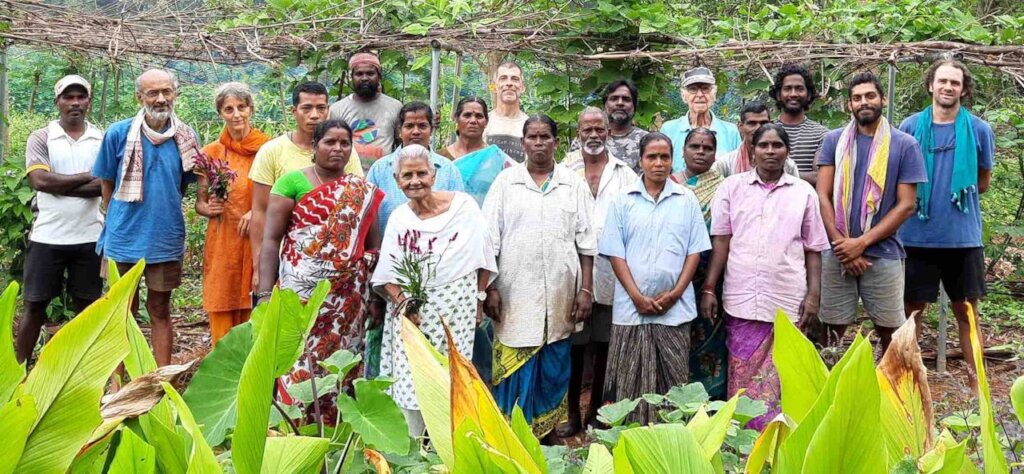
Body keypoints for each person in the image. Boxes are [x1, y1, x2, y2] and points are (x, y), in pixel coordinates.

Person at [701, 124, 829, 430]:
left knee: (784, 376)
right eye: (763, 145)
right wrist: (709, 288)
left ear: (787, 152)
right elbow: (721, 240)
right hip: (741, 299)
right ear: (752, 150)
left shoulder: (803, 192)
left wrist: (814, 296)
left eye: (777, 145)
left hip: (788, 299)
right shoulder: (731, 188)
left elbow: (813, 248)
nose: (770, 151)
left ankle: (780, 440)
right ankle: (744, 441)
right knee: (743, 376)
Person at [256, 119, 384, 423]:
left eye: (344, 143)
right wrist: (264, 293)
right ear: (315, 146)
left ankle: (334, 427)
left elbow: (372, 248)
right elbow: (271, 240)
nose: (338, 149)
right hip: (300, 293)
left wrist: (376, 297)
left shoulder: (360, 191)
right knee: (297, 358)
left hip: (347, 303)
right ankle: (295, 427)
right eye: (330, 142)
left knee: (342, 362)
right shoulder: (291, 183)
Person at [370, 144, 498, 437]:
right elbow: (387, 273)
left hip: (457, 310)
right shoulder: (400, 218)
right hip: (412, 316)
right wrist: (404, 304)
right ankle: (412, 446)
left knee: (451, 375)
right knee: (411, 377)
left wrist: (479, 301)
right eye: (407, 175)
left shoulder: (464, 207)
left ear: (433, 174)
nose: (415, 181)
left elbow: (483, 257)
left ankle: (449, 444)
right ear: (397, 180)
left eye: (421, 173)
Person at [483, 114, 596, 440]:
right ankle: (513, 436)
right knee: (514, 365)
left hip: (561, 297)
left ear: (556, 142)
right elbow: (488, 240)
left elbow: (587, 242)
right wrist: (489, 287)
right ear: (523, 143)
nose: (538, 143)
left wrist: (586, 290)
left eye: (545, 136)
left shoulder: (573, 184)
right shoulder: (506, 183)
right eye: (532, 137)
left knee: (554, 366)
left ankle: (546, 435)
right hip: (513, 296)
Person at [600, 132, 710, 424]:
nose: (658, 163)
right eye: (652, 157)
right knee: (628, 385)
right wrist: (636, 296)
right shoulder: (622, 201)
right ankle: (630, 439)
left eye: (664, 157)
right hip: (631, 311)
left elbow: (694, 252)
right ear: (641, 160)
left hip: (674, 311)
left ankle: (671, 440)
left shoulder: (686, 200)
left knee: (673, 384)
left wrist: (675, 293)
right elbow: (615, 253)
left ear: (672, 161)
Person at [898, 59, 995, 389]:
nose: (948, 87)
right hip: (916, 236)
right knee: (912, 312)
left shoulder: (979, 130)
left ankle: (978, 389)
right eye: (942, 80)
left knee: (967, 312)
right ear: (931, 84)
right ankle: (909, 386)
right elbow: (900, 179)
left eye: (955, 82)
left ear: (963, 90)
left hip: (962, 238)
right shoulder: (911, 126)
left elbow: (982, 182)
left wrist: (954, 188)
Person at [92, 68, 199, 366]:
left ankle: (160, 380)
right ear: (139, 97)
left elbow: (183, 184)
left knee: (160, 309)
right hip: (123, 237)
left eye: (167, 91)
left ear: (175, 94)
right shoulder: (118, 133)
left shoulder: (187, 136)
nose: (161, 98)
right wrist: (118, 217)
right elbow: (106, 183)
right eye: (153, 93)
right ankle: (119, 381)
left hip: (164, 237)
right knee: (121, 311)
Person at [816, 73, 926, 352]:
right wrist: (844, 246)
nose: (863, 102)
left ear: (883, 99)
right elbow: (822, 195)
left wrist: (861, 243)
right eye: (857, 98)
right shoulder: (833, 140)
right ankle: (832, 377)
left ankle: (889, 379)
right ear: (849, 105)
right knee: (832, 329)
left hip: (884, 252)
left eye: (870, 96)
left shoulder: (904, 144)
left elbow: (906, 204)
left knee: (890, 331)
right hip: (837, 251)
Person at [365, 101, 465, 377]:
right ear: (399, 130)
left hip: (440, 278)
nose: (416, 131)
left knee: (435, 350)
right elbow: (370, 221)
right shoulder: (381, 169)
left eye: (423, 125)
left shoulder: (447, 170)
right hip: (391, 276)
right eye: (410, 125)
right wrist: (376, 283)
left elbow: (460, 222)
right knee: (393, 347)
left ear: (432, 129)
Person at [558, 107, 638, 436]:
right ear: (578, 133)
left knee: (605, 346)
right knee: (574, 347)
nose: (593, 135)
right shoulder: (564, 170)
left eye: (599, 129)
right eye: (587, 129)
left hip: (611, 274)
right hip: (572, 273)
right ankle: (572, 414)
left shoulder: (624, 174)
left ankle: (595, 413)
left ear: (608, 131)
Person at [16, 75, 103, 363]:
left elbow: (105, 186)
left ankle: (84, 371)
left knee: (88, 309)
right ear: (57, 102)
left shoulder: (101, 139)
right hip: (47, 237)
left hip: (90, 237)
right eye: (68, 97)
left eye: (80, 97)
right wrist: (89, 176)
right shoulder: (42, 137)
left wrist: (60, 184)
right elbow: (40, 181)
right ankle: (18, 374)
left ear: (88, 102)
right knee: (35, 306)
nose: (75, 102)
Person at [249, 82, 362, 294]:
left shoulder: (345, 152)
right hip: (288, 265)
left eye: (321, 108)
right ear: (294, 111)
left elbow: (355, 200)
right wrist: (259, 268)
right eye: (307, 108)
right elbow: (260, 213)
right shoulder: (271, 151)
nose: (314, 115)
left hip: (339, 268)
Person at [195, 82, 270, 345]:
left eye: (242, 107)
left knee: (256, 297)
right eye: (229, 109)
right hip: (223, 240)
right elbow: (200, 203)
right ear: (220, 113)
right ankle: (222, 358)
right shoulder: (211, 153)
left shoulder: (268, 149)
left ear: (251, 109)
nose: (236, 114)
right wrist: (208, 208)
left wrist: (256, 211)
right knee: (222, 296)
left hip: (258, 237)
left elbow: (280, 194)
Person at [671, 128, 729, 399]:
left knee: (710, 338)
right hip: (672, 278)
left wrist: (709, 286)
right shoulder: (667, 184)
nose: (701, 152)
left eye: (707, 148)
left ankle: (711, 402)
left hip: (711, 277)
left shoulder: (723, 187)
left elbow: (723, 237)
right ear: (683, 151)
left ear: (715, 154)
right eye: (695, 146)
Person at [329, 51, 403, 169]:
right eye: (359, 74)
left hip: (383, 174)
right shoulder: (337, 109)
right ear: (351, 77)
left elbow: (401, 143)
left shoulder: (395, 106)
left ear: (379, 76)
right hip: (348, 176)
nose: (364, 78)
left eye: (370, 73)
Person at [660, 67, 741, 173]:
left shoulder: (731, 131)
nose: (699, 95)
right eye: (693, 89)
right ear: (684, 95)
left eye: (705, 88)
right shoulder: (669, 129)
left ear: (714, 94)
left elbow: (738, 170)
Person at [569, 80, 649, 173]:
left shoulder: (646, 140)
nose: (620, 103)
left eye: (626, 99)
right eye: (614, 99)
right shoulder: (584, 139)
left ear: (634, 106)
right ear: (605, 105)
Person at [770, 64, 829, 185]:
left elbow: (819, 176)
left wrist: (776, 174)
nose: (793, 94)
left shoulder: (822, 134)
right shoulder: (767, 132)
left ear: (809, 95)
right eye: (787, 88)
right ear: (778, 95)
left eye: (799, 89)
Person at [714, 102, 800, 179]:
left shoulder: (787, 165)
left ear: (771, 125)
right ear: (740, 127)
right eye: (752, 123)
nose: (758, 128)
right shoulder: (725, 164)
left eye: (763, 123)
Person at [483, 61, 530, 163]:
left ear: (523, 88)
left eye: (515, 79)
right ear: (494, 87)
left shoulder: (530, 126)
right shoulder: (483, 123)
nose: (509, 83)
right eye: (503, 78)